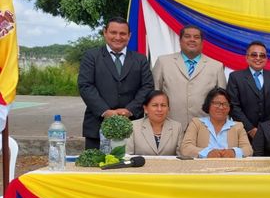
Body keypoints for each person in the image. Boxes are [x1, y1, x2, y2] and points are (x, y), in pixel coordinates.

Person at [78, 17, 154, 149]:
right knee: (96, 162)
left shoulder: (140, 59)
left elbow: (147, 86)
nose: (118, 37)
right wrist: (105, 111)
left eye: (123, 33)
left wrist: (129, 110)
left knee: (130, 162)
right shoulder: (91, 56)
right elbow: (85, 86)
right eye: (113, 32)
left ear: (129, 36)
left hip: (133, 126)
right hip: (97, 126)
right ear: (105, 32)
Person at [152, 24, 226, 131]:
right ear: (180, 40)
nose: (192, 40)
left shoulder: (216, 66)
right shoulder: (163, 62)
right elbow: (153, 94)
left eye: (196, 37)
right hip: (169, 126)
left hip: (205, 128)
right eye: (187, 36)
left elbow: (223, 102)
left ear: (202, 42)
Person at [228, 41, 270, 140]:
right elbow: (233, 106)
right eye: (254, 55)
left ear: (266, 59)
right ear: (247, 57)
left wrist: (268, 129)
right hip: (243, 133)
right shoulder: (235, 77)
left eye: (262, 55)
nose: (258, 58)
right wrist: (250, 129)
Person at [180, 87, 253, 158]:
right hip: (203, 165)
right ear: (208, 105)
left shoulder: (238, 126)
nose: (221, 107)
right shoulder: (196, 123)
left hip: (230, 165)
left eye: (225, 104)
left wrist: (233, 152)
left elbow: (248, 150)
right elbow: (186, 148)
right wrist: (207, 153)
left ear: (229, 108)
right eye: (217, 103)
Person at [126, 90, 183, 156]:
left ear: (168, 109)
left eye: (163, 105)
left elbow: (180, 157)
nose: (159, 109)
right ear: (145, 109)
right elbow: (127, 156)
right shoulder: (133, 126)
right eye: (155, 105)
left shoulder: (177, 127)